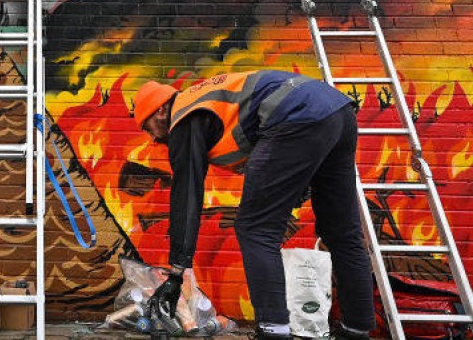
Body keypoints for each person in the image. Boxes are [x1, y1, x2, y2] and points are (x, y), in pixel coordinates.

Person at [132, 71, 375, 340]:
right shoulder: (205, 102)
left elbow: (186, 195)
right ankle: (356, 330)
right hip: (337, 111)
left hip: (297, 114)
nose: (152, 138)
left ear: (161, 110)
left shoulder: (184, 117)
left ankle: (273, 330)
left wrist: (177, 271)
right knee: (341, 230)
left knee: (255, 228)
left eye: (146, 127)